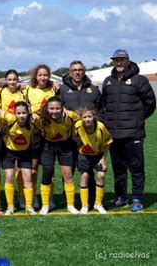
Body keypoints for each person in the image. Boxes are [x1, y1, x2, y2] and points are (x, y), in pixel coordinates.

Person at [100, 49, 156, 212]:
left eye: (122, 60)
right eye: (116, 60)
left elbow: (150, 103)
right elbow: (104, 104)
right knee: (118, 169)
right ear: (113, 61)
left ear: (128, 61)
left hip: (133, 134)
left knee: (136, 168)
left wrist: (137, 119)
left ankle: (137, 199)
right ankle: (120, 198)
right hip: (114, 134)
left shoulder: (140, 80)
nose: (119, 62)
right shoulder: (108, 81)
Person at [58, 61, 102, 208]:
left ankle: (90, 198)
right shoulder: (62, 89)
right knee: (67, 169)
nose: (77, 73)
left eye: (80, 70)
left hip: (88, 138)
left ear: (84, 72)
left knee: (87, 169)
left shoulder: (93, 89)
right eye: (74, 70)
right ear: (70, 73)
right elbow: (56, 109)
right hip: (69, 137)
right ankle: (68, 198)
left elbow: (101, 109)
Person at [23, 64, 57, 209]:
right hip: (35, 133)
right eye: (40, 75)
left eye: (45, 75)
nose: (43, 78)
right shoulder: (28, 89)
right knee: (34, 166)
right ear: (35, 76)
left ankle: (49, 197)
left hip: (50, 132)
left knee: (50, 167)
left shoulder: (54, 88)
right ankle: (35, 196)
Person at [38, 97, 79, 215]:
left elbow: (79, 120)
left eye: (57, 108)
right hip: (48, 146)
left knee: (68, 174)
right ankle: (45, 205)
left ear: (62, 108)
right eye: (51, 108)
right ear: (47, 108)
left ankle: (70, 205)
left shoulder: (70, 116)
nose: (54, 111)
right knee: (47, 172)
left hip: (65, 145)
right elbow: (31, 113)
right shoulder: (42, 118)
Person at [0, 102, 37, 215]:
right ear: (14, 113)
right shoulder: (10, 119)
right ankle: (10, 207)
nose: (21, 115)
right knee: (9, 177)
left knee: (28, 178)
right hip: (9, 152)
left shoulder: (33, 122)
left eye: (24, 113)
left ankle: (29, 206)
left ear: (28, 113)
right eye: (19, 113)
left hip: (25, 152)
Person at [74, 105, 112, 214]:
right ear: (81, 118)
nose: (87, 119)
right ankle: (84, 205)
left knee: (101, 175)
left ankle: (98, 204)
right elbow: (72, 136)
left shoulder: (100, 127)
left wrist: (103, 158)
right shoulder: (77, 126)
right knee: (84, 176)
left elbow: (108, 142)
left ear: (94, 116)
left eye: (89, 116)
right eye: (84, 117)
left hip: (98, 155)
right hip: (84, 155)